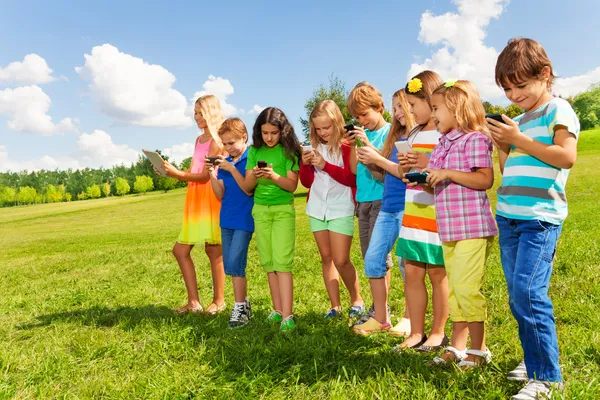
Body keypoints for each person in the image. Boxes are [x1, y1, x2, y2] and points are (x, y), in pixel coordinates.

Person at [489, 38, 579, 400]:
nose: (513, 94)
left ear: (544, 74)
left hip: (539, 219)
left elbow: (565, 157)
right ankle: (534, 358)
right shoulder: (521, 120)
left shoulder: (558, 109)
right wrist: (504, 144)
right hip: (509, 216)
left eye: (520, 85)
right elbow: (508, 169)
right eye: (507, 88)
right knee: (517, 294)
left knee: (529, 291)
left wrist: (518, 139)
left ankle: (547, 377)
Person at [416, 80, 497, 368]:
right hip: (449, 229)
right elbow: (438, 184)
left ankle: (480, 349)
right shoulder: (442, 143)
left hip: (473, 229)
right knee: (456, 290)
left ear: (457, 107)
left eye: (436, 108)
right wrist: (426, 182)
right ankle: (458, 346)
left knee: (466, 289)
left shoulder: (474, 139)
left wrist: (448, 172)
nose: (433, 114)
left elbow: (484, 179)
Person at [352, 89, 415, 336]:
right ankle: (381, 318)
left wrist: (376, 158)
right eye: (395, 107)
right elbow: (383, 174)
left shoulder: (420, 134)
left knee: (407, 264)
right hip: (389, 205)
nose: (398, 112)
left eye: (402, 107)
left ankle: (410, 318)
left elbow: (405, 173)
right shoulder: (394, 135)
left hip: (409, 205)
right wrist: (371, 157)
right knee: (373, 259)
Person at [394, 71, 449, 351]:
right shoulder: (414, 133)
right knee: (413, 274)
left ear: (430, 100)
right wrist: (405, 167)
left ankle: (438, 332)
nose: (411, 111)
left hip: (437, 213)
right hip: (413, 212)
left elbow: (447, 170)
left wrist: (426, 164)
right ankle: (416, 332)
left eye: (414, 105)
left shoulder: (445, 132)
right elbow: (407, 171)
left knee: (438, 274)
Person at [299, 100, 363, 319]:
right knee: (326, 257)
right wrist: (305, 164)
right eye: (318, 128)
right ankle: (335, 306)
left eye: (326, 127)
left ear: (337, 123)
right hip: (317, 207)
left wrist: (325, 165)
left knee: (341, 259)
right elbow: (307, 183)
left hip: (341, 205)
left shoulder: (347, 147)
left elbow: (351, 179)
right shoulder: (313, 148)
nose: (322, 132)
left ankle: (357, 299)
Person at [163, 94, 225, 314]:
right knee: (180, 251)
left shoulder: (217, 141)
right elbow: (193, 172)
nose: (197, 117)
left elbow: (206, 177)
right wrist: (171, 171)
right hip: (195, 198)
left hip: (211, 197)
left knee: (213, 250)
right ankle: (194, 303)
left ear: (211, 113)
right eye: (195, 114)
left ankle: (219, 301)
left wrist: (178, 174)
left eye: (201, 113)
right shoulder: (198, 140)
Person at [243, 107, 301, 332]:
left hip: (282, 211)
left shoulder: (290, 152)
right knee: (269, 263)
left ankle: (288, 315)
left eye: (273, 133)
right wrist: (255, 177)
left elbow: (291, 186)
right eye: (265, 133)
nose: (269, 137)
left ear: (282, 131)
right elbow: (248, 188)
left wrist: (274, 176)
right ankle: (277, 310)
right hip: (260, 210)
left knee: (282, 263)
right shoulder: (254, 152)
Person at [208, 118, 254, 328]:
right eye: (224, 144)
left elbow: (248, 189)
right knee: (229, 264)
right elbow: (220, 193)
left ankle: (240, 308)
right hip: (226, 219)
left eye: (231, 143)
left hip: (244, 220)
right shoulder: (226, 163)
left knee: (236, 263)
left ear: (244, 137)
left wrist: (231, 167)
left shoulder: (251, 159)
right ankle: (243, 303)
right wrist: (212, 173)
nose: (227, 148)